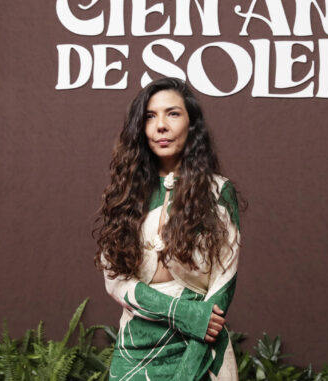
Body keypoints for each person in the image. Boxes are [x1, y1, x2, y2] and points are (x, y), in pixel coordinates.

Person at [94, 77, 242, 381]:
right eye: (150, 116)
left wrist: (191, 364)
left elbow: (224, 282)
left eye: (173, 113)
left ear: (192, 124)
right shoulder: (125, 195)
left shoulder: (218, 192)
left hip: (200, 343)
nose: (161, 125)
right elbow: (115, 281)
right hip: (137, 345)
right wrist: (180, 313)